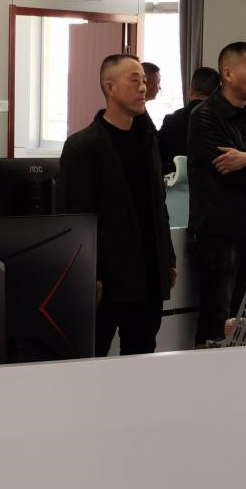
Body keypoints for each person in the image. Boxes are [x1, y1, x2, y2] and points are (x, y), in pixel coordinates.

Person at [58, 54, 176, 356]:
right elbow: (76, 215)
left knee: (142, 356)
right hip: (106, 277)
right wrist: (88, 272)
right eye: (134, 81)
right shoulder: (83, 145)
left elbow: (158, 205)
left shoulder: (148, 140)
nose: (143, 88)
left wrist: (168, 257)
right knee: (91, 357)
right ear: (110, 88)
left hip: (147, 273)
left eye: (144, 81)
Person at [186, 42, 246, 347]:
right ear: (228, 73)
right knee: (217, 319)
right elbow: (228, 171)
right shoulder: (204, 116)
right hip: (217, 232)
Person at [158, 65, 219, 173]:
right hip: (212, 180)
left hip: (176, 180)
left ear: (190, 91)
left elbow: (160, 155)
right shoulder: (222, 120)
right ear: (217, 94)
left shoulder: (171, 120)